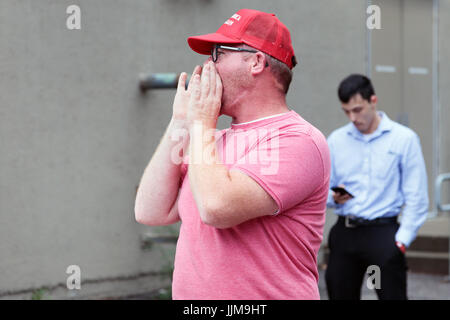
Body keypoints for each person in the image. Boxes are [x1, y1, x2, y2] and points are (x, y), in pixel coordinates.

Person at [134, 9, 331, 300]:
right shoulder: (210, 141)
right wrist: (180, 122)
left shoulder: (298, 140)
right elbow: (150, 211)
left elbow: (216, 208)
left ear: (256, 62)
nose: (206, 65)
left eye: (218, 53)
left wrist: (200, 123)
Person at [325, 74, 429, 300]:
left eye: (358, 109)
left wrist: (401, 241)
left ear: (373, 101)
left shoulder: (403, 139)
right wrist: (333, 197)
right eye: (346, 111)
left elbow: (417, 197)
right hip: (346, 233)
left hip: (383, 237)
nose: (353, 117)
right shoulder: (336, 140)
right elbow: (321, 189)